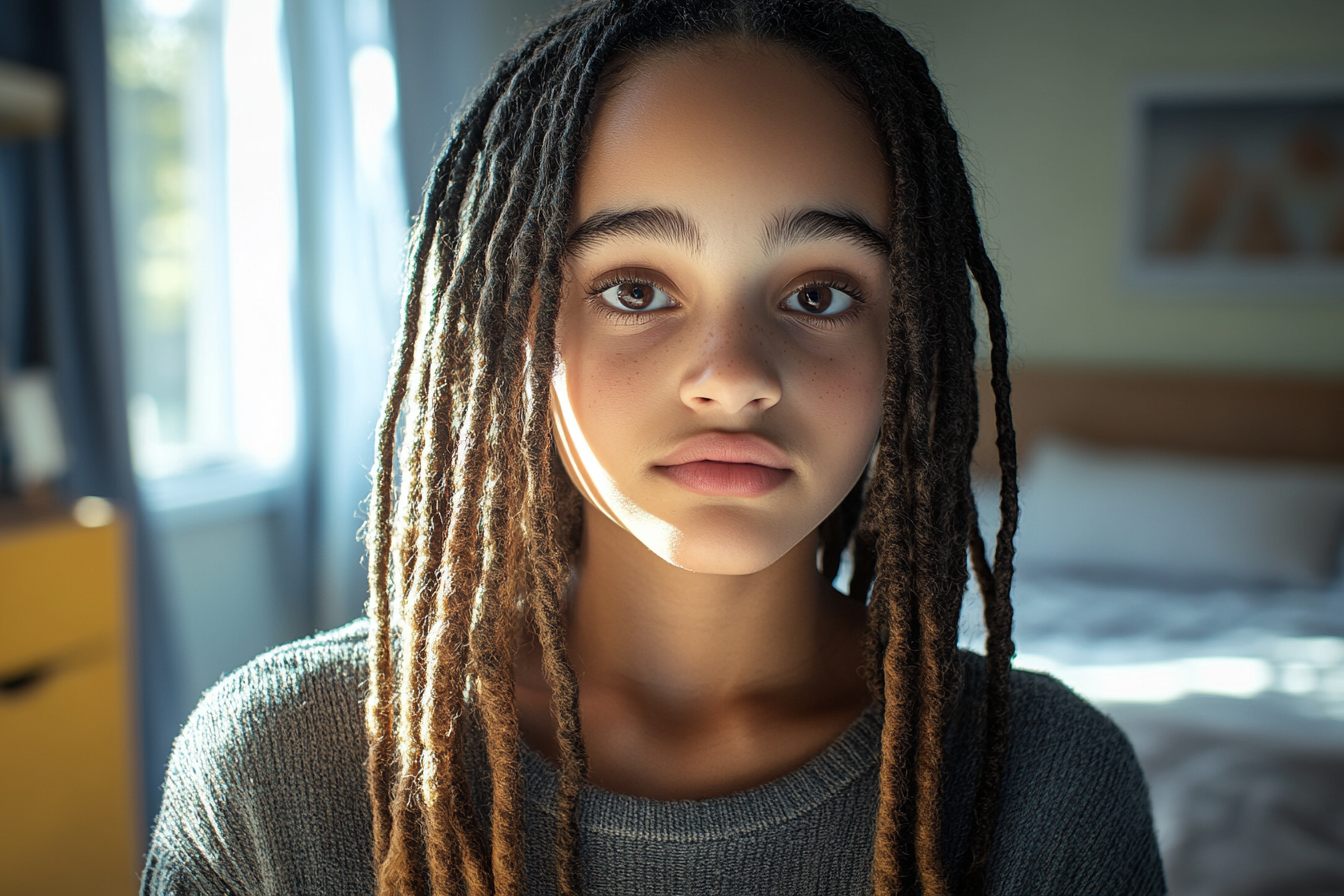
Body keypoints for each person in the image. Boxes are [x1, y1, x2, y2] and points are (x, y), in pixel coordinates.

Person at [142, 2, 1165, 894]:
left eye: (820, 293)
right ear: (519, 323)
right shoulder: (276, 770)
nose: (733, 371)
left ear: (915, 346)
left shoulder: (1048, 786)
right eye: (636, 288)